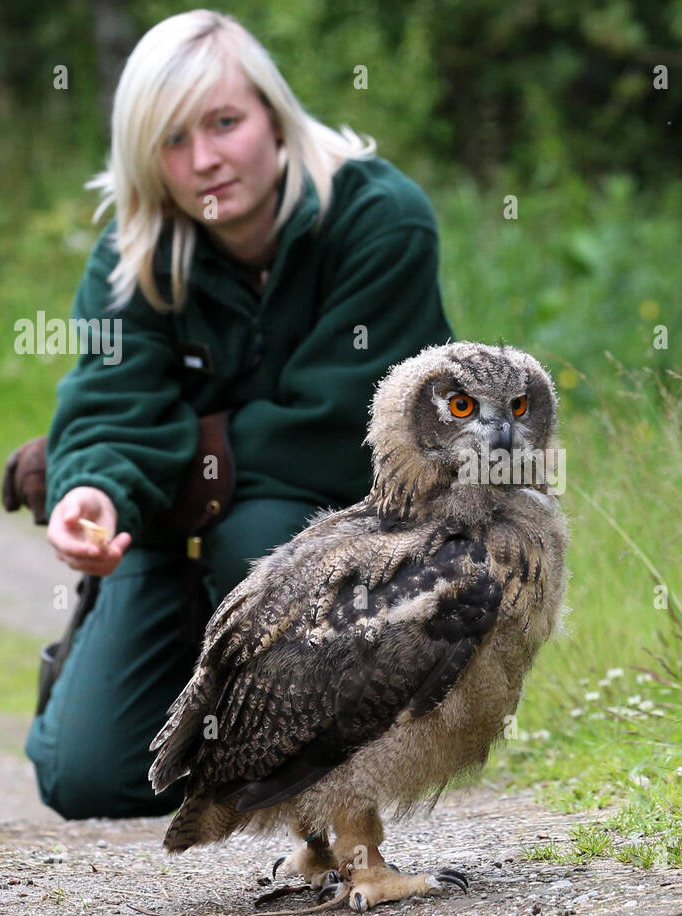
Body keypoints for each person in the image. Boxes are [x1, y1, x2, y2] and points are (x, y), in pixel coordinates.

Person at [24, 9, 455, 819]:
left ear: (272, 113)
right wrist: (97, 488)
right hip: (170, 531)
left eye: (225, 122)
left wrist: (182, 451)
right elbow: (113, 400)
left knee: (249, 531)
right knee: (86, 776)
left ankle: (331, 747)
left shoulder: (380, 219)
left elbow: (341, 434)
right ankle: (158, 670)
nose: (206, 160)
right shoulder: (135, 251)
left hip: (335, 535)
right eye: (174, 140)